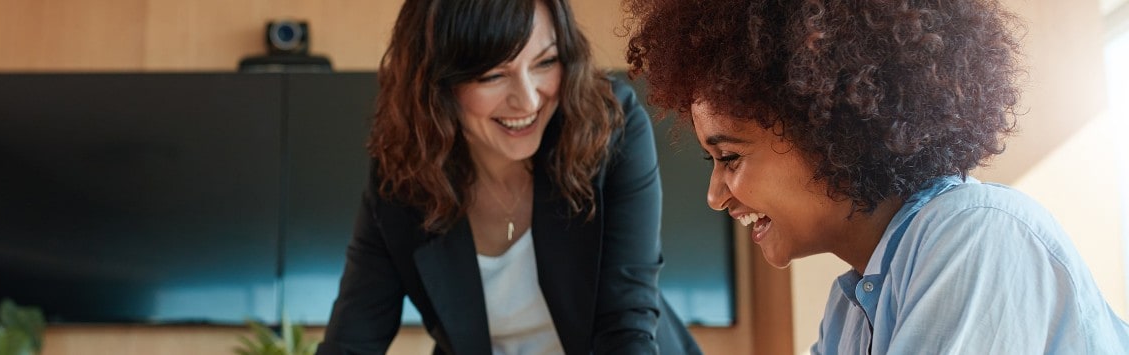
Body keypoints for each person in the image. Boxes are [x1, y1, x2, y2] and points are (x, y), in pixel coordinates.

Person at [623, 0, 1129, 353]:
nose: (715, 197)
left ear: (828, 131)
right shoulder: (850, 311)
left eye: (730, 158)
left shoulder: (976, 235)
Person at [316, 0, 704, 354]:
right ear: (435, 86)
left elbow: (625, 327)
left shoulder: (610, 127)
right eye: (493, 75)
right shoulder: (403, 176)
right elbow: (352, 341)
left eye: (545, 62)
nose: (529, 100)